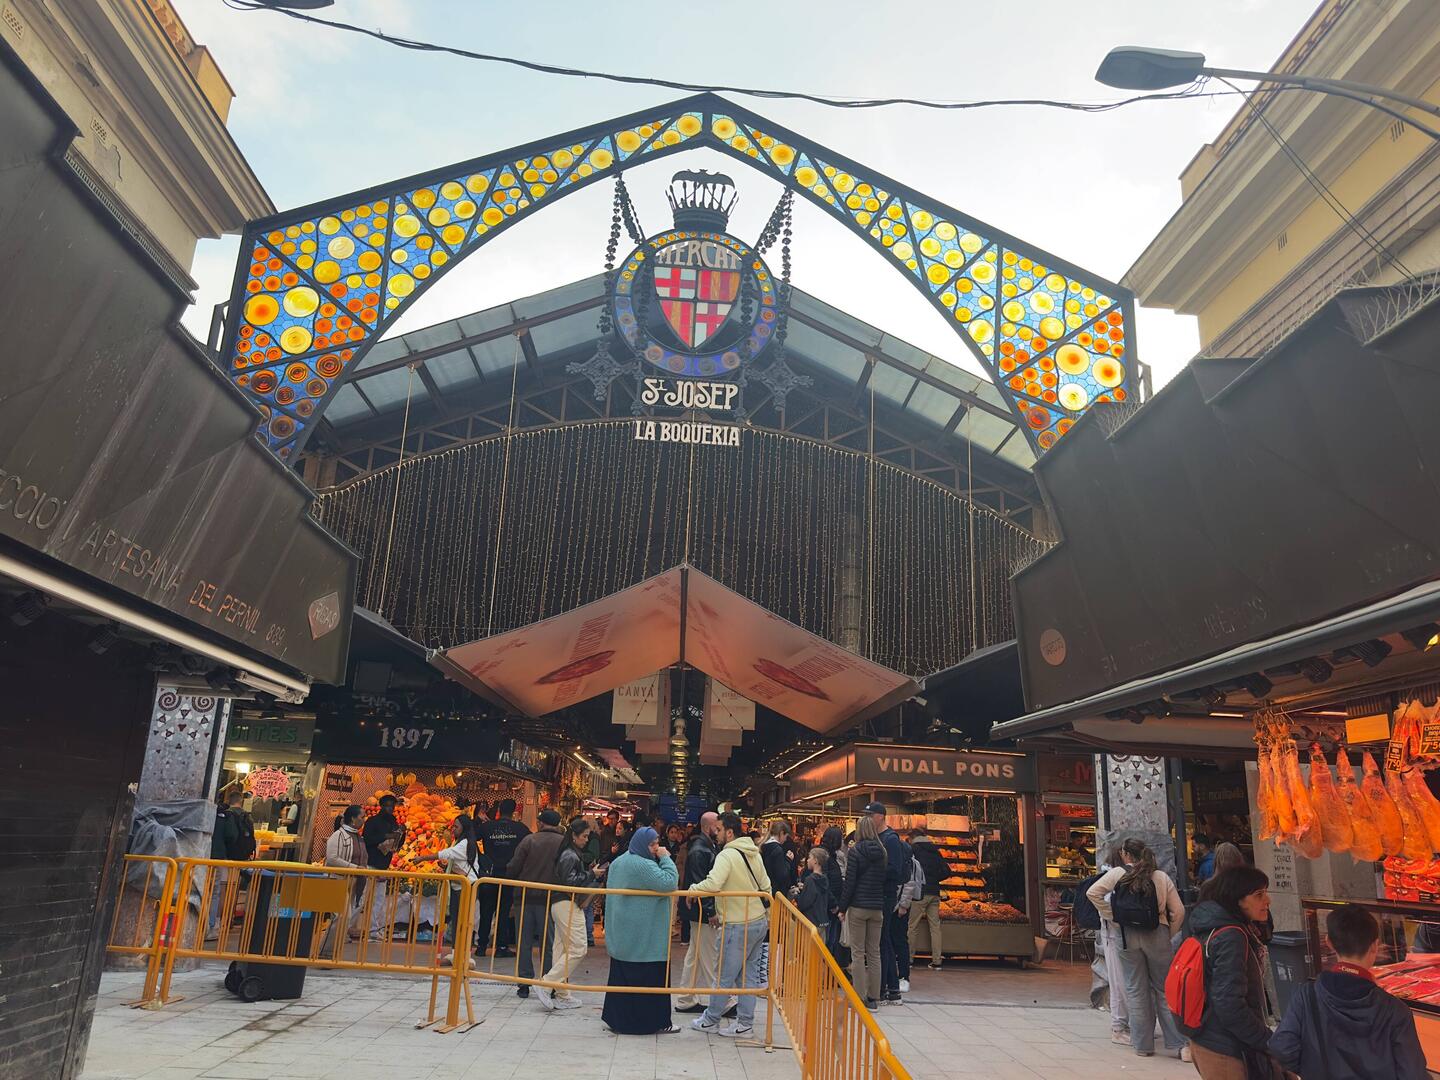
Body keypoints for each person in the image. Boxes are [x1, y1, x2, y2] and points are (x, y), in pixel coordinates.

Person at [1270, 902, 1426, 1080]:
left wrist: (1311, 1069)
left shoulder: (1307, 996)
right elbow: (1413, 1075)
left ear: (1328, 942)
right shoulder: (1395, 1010)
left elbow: (1281, 1049)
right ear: (1375, 945)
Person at [1085, 838, 1185, 1058]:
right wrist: (1169, 933)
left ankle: (1143, 1046)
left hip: (1126, 935)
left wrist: (1113, 915)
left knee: (1135, 989)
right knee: (1164, 989)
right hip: (1157, 932)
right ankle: (1178, 1044)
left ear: (1125, 854)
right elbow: (1178, 911)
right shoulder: (1160, 877)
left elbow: (1092, 893)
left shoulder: (1117, 874)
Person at [1186, 865, 1279, 1079]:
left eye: (1265, 892)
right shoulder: (1231, 936)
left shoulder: (1216, 926)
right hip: (1223, 1046)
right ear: (1237, 899)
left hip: (1211, 1037)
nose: (1267, 901)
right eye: (1258, 895)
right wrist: (1267, 1040)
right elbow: (1229, 1003)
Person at [688, 811, 770, 1039]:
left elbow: (714, 883)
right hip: (757, 922)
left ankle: (710, 1020)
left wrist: (693, 890)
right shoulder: (754, 853)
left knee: (723, 974)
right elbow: (766, 885)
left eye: (720, 830)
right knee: (748, 977)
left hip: (736, 923)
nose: (716, 834)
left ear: (730, 832)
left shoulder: (727, 855)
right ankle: (745, 1024)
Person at [600, 826, 680, 1034]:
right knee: (649, 981)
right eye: (652, 844)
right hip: (645, 937)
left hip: (623, 933)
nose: (656, 848)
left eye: (657, 843)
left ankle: (619, 1021)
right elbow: (669, 882)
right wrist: (666, 858)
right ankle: (652, 1023)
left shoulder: (620, 861)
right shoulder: (642, 865)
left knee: (622, 978)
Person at [536, 816, 606, 1012]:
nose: (586, 840)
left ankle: (561, 993)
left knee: (562, 949)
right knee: (578, 948)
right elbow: (571, 882)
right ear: (574, 836)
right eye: (583, 836)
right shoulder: (570, 855)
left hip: (561, 904)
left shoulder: (569, 853)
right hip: (567, 904)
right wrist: (592, 874)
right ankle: (547, 984)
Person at [506, 808, 565, 998]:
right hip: (550, 899)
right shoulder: (563, 843)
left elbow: (514, 867)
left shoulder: (529, 840)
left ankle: (524, 983)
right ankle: (548, 982)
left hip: (525, 897)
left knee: (523, 941)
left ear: (540, 823)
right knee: (548, 943)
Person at [414, 815, 485, 963]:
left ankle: (464, 956)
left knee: (463, 922)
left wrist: (422, 858)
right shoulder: (460, 842)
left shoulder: (465, 843)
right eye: (453, 826)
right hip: (458, 886)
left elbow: (445, 853)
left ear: (464, 828)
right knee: (457, 921)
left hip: (465, 888)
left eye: (456, 827)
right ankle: (456, 954)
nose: (453, 829)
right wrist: (446, 868)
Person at [677, 812, 725, 1014]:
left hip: (696, 911)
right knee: (709, 956)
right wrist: (710, 911)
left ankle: (686, 999)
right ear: (708, 828)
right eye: (718, 827)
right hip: (700, 912)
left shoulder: (704, 847)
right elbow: (701, 885)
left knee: (695, 956)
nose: (720, 831)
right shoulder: (700, 850)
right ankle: (723, 1002)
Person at [840, 816, 889, 1011]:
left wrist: (842, 908)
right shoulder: (883, 851)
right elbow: (883, 880)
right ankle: (874, 997)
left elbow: (850, 882)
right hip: (877, 907)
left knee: (858, 953)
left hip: (859, 906)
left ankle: (859, 997)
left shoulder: (856, 851)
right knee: (874, 952)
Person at [864, 802, 909, 1003]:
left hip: (885, 895)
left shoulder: (890, 839)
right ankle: (891, 990)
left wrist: (872, 872)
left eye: (870, 815)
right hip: (879, 894)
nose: (867, 819)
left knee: (881, 942)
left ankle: (883, 990)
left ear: (881, 816)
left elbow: (895, 870)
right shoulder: (878, 837)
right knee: (883, 941)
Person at [477, 798, 529, 958]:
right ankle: (501, 947)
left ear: (499, 810)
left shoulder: (487, 827)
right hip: (508, 876)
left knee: (486, 911)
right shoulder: (520, 829)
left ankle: (481, 946)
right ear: (514, 811)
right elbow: (530, 845)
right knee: (503, 911)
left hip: (489, 876)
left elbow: (470, 839)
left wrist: (482, 858)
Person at [319, 805, 369, 955]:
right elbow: (332, 858)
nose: (364, 820)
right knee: (341, 916)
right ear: (353, 819)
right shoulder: (338, 836)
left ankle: (333, 952)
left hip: (352, 882)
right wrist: (354, 867)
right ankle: (325, 952)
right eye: (362, 817)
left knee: (344, 918)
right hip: (338, 880)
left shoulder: (358, 836)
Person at [362, 794, 404, 940]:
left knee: (379, 899)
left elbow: (397, 842)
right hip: (370, 864)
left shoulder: (393, 821)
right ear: (381, 806)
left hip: (383, 865)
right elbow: (366, 839)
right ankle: (346, 928)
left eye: (392, 805)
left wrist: (401, 834)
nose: (390, 808)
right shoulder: (372, 821)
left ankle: (373, 930)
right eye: (387, 805)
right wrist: (385, 838)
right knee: (361, 899)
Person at [908, 830, 947, 970]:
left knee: (912, 926)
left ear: (912, 838)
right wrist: (935, 880)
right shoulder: (935, 849)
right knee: (935, 927)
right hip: (935, 892)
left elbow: (909, 869)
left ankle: (909, 959)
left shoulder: (913, 849)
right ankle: (937, 961)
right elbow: (947, 871)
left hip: (919, 892)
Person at [791, 848, 832, 933]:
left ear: (815, 861)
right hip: (822, 921)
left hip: (810, 922)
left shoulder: (810, 880)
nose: (807, 860)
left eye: (809, 857)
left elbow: (804, 902)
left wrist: (796, 896)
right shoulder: (825, 878)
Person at [760, 820, 794, 897]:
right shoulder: (777, 850)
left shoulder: (763, 847)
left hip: (765, 889)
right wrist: (788, 860)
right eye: (785, 836)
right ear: (781, 833)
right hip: (776, 892)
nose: (785, 840)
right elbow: (782, 875)